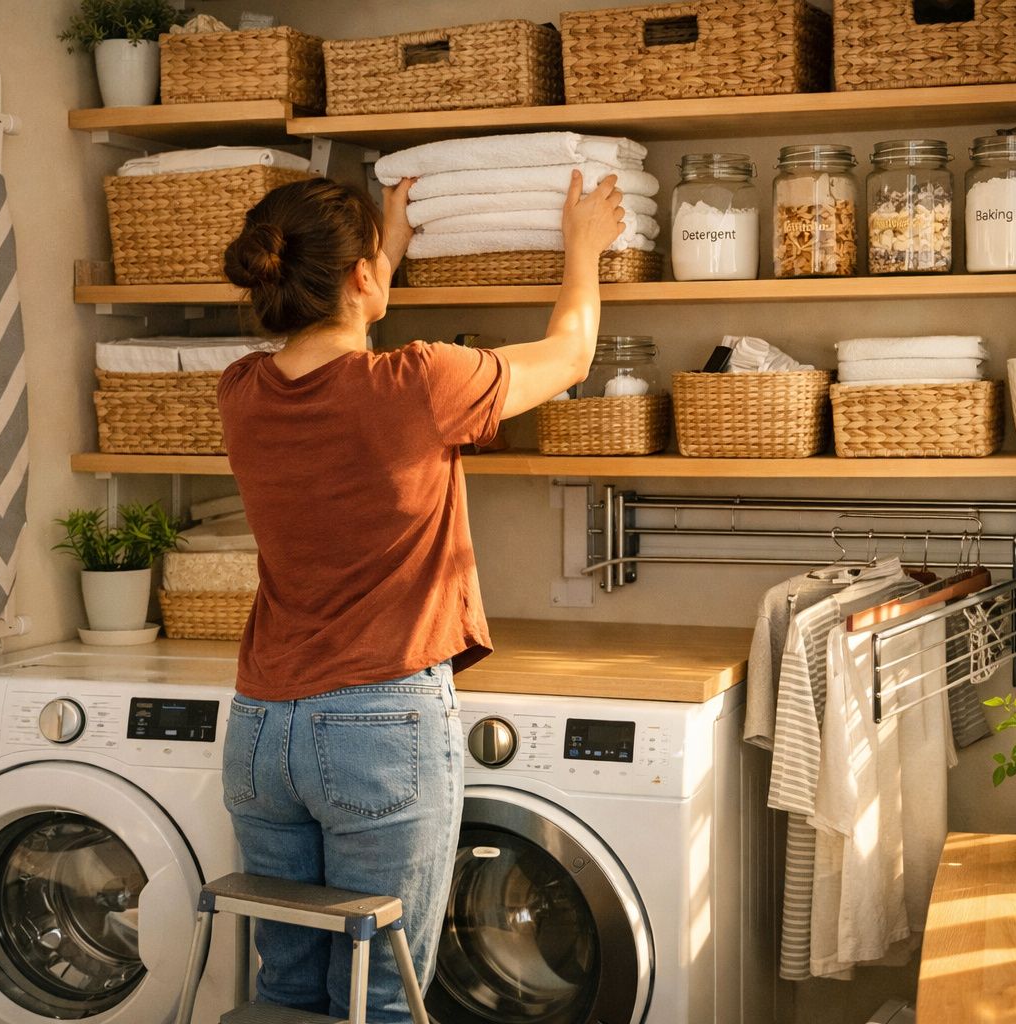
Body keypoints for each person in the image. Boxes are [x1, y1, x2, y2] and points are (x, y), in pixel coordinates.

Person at [215, 169, 626, 1022]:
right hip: (379, 726)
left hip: (261, 730)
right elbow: (572, 354)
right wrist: (582, 248)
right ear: (363, 280)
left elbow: (331, 340)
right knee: (384, 1001)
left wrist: (382, 245)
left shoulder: (243, 392)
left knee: (287, 992)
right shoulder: (419, 385)